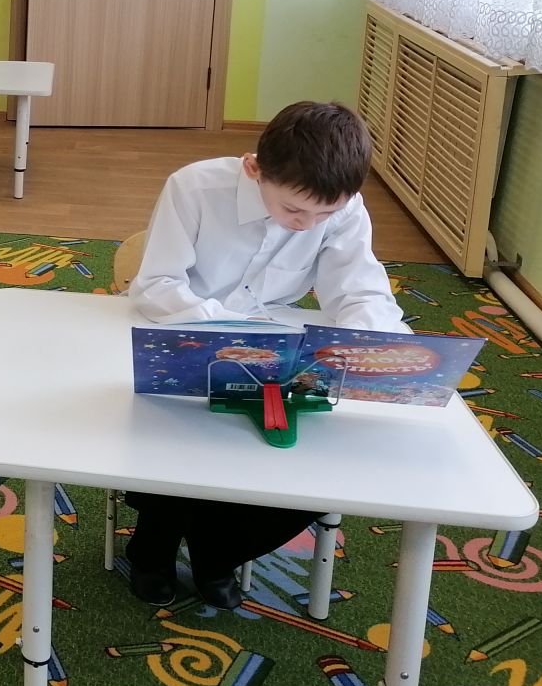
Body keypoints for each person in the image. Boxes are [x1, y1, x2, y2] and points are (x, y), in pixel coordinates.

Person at [123, 101, 408, 608]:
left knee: (315, 452)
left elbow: (360, 292)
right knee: (175, 427)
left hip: (276, 349)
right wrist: (224, 328)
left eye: (324, 215)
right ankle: (152, 549)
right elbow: (156, 285)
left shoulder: (342, 210)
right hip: (187, 332)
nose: (307, 224)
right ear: (254, 169)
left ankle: (218, 553)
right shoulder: (195, 188)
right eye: (294, 210)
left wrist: (364, 344)